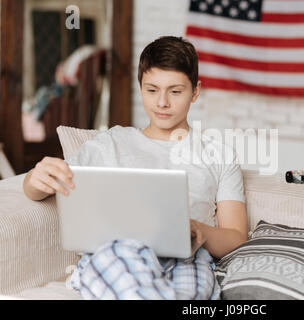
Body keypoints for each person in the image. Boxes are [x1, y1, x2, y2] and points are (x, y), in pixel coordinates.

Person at [22, 36, 248, 300]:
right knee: (122, 262)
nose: (162, 102)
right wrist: (33, 180)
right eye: (152, 90)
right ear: (140, 87)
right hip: (115, 252)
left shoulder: (219, 155)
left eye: (175, 91)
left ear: (195, 91)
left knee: (189, 293)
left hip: (187, 260)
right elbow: (39, 189)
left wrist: (198, 229)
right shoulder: (110, 143)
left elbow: (236, 237)